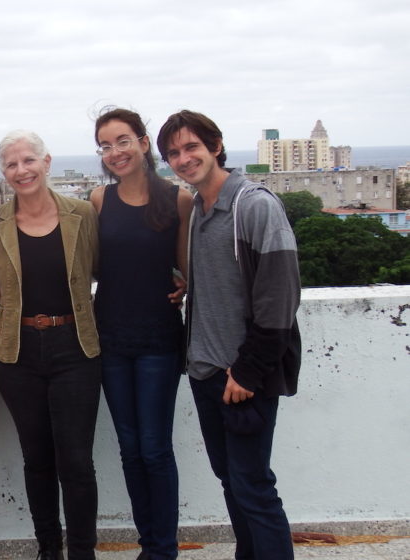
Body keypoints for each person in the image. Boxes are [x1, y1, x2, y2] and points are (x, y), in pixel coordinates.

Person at [157, 110, 301, 560]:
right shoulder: (200, 208)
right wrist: (189, 285)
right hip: (205, 371)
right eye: (174, 153)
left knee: (253, 485)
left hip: (242, 376)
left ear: (216, 146)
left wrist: (248, 372)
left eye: (191, 147)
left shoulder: (254, 206)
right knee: (231, 480)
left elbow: (279, 299)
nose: (183, 159)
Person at [0, 130, 101, 560]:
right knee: (37, 459)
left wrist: (173, 280)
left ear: (47, 162)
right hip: (16, 353)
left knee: (76, 460)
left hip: (75, 347)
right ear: (4, 172)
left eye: (28, 161)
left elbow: (108, 267)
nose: (21, 171)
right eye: (12, 165)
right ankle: (49, 549)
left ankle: (82, 552)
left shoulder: (82, 214)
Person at [89, 108, 192, 560]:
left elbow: (189, 268)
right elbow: (88, 266)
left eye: (123, 141)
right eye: (106, 145)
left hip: (158, 339)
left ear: (144, 143)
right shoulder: (97, 200)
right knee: (130, 449)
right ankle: (148, 545)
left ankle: (163, 550)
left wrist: (185, 283)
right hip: (109, 335)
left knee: (154, 448)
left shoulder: (178, 199)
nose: (115, 152)